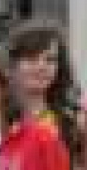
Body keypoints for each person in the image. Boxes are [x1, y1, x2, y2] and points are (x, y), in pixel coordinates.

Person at [8, 21, 82, 160]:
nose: (41, 67)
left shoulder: (70, 122)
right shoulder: (0, 117)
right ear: (14, 64)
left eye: (50, 60)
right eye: (31, 59)